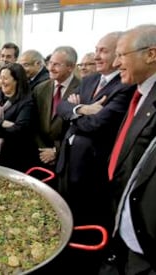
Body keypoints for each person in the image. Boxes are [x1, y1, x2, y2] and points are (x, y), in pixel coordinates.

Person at [54, 32, 136, 275]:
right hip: (67, 163)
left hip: (91, 171)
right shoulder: (89, 80)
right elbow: (62, 108)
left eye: (104, 51)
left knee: (86, 223)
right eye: (97, 50)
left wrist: (75, 114)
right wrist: (82, 109)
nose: (97, 56)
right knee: (63, 216)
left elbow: (99, 124)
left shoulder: (125, 85)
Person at [99, 24, 156, 275]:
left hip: (145, 235)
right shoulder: (139, 92)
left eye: (121, 55)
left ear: (151, 54)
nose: (115, 63)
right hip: (121, 217)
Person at [0, 63, 38, 172]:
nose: (1, 82)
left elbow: (19, 129)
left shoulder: (26, 101)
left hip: (12, 153)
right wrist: (2, 123)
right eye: (0, 78)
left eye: (5, 78)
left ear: (17, 80)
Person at [32, 46, 80, 180]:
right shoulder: (40, 88)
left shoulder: (82, 89)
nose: (51, 68)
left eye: (57, 65)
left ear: (71, 67)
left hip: (67, 158)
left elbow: (79, 128)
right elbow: (34, 123)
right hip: (40, 154)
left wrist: (56, 151)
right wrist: (43, 150)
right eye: (50, 63)